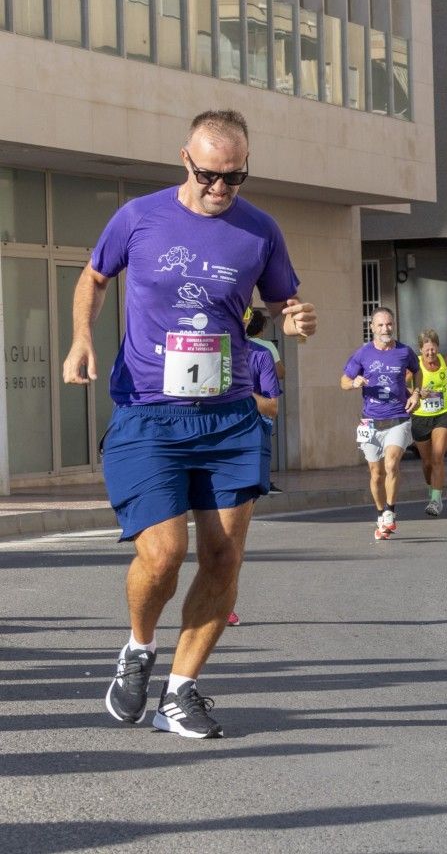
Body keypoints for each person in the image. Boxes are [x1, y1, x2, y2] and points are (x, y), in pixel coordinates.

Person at [63, 108, 316, 739]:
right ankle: (138, 648)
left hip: (228, 417)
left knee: (224, 557)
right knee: (164, 553)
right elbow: (94, 277)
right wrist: (80, 341)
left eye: (235, 177)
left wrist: (293, 319)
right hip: (148, 413)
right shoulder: (140, 217)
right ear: (185, 160)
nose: (221, 189)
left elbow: (281, 300)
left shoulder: (259, 230)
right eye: (209, 175)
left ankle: (182, 690)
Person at [342, 308, 420, 540]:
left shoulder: (404, 351)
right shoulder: (362, 354)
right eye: (380, 325)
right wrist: (354, 382)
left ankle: (390, 511)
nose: (385, 329)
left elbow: (418, 372)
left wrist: (415, 393)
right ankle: (380, 513)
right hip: (370, 422)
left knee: (392, 463)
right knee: (376, 474)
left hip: (398, 417)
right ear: (372, 328)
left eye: (389, 324)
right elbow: (343, 382)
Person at [229, 325, 285, 630]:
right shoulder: (193, 347)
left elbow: (271, 407)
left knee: (232, 533)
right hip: (201, 444)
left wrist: (241, 392)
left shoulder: (260, 356)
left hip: (245, 446)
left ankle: (224, 602)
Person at [410, 329, 447, 518]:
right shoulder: (414, 365)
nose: (430, 354)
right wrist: (415, 393)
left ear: (438, 348)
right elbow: (402, 385)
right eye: (427, 351)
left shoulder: (445, 361)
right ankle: (431, 489)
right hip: (421, 416)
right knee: (426, 462)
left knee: (437, 456)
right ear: (420, 350)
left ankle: (436, 500)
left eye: (433, 349)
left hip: (443, 413)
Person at [244, 307, 285, 492]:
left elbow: (272, 406)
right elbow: (281, 372)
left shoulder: (262, 352)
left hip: (257, 414)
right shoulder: (267, 347)